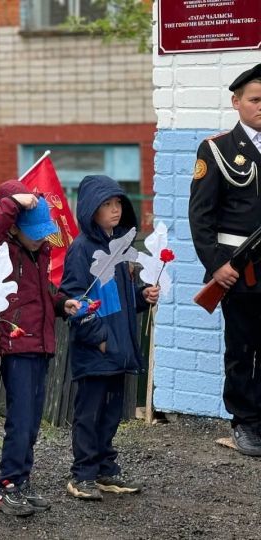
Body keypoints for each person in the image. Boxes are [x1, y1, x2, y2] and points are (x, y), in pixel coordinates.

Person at [0, 181, 80, 515]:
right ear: (15, 227)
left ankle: (21, 480)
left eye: (42, 231)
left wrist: (61, 303)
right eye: (32, 230)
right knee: (19, 421)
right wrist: (14, 204)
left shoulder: (39, 255)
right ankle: (5, 486)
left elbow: (41, 295)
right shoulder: (2, 252)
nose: (40, 237)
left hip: (41, 344)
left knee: (32, 421)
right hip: (16, 345)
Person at [60, 174, 158, 501]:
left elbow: (121, 294)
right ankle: (82, 473)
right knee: (90, 413)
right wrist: (99, 337)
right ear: (90, 209)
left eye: (118, 203)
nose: (115, 210)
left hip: (119, 347)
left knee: (112, 412)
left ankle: (105, 469)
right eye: (106, 204)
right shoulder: (81, 250)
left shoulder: (120, 245)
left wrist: (143, 296)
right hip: (97, 348)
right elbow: (75, 298)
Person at [189, 63, 261, 456]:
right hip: (238, 269)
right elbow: (201, 215)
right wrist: (217, 265)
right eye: (255, 100)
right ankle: (245, 422)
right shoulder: (217, 149)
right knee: (242, 349)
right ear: (236, 103)